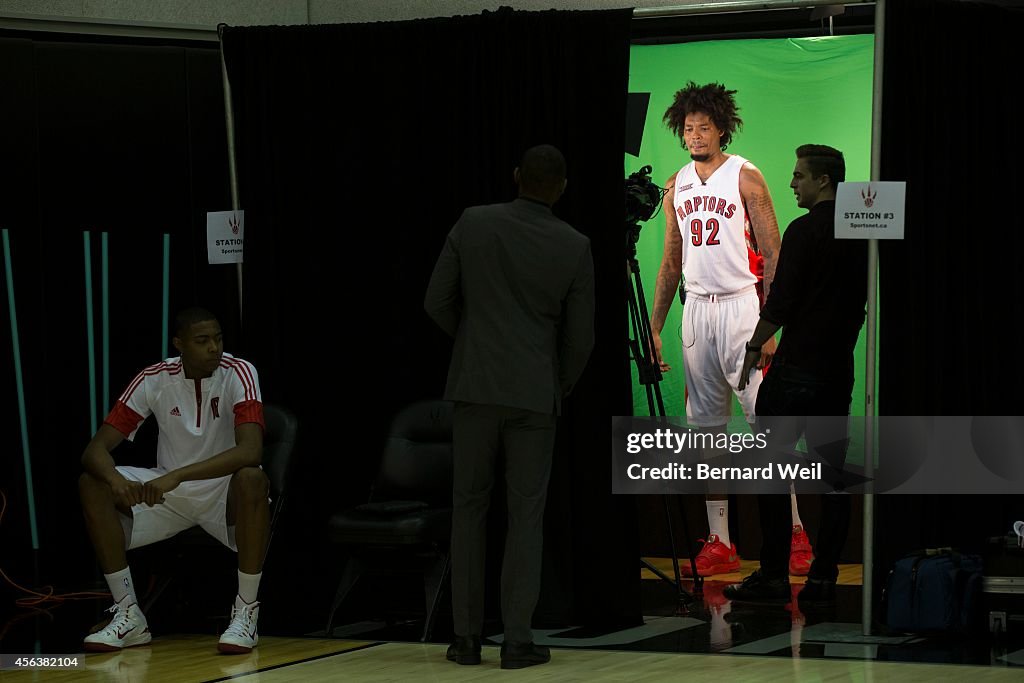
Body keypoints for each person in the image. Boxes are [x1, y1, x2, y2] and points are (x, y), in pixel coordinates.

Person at [424, 144, 595, 670]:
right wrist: (556, 383)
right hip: (534, 392)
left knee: (468, 511)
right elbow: (581, 338)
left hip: (474, 387)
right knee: (526, 515)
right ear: (561, 187)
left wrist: (472, 343)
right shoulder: (574, 243)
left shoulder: (473, 222)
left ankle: (465, 639)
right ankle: (517, 640)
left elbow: (436, 301)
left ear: (517, 176)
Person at [723, 144, 867, 604]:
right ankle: (825, 575)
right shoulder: (862, 233)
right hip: (835, 373)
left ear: (823, 181)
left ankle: (772, 575)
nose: (792, 184)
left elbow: (781, 301)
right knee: (833, 479)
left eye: (799, 175)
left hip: (794, 371)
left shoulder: (805, 232)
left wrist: (752, 346)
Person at [78, 307, 268, 653]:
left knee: (252, 479)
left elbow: (251, 451)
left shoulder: (239, 372)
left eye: (218, 338)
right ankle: (128, 613)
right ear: (179, 344)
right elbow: (95, 450)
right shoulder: (155, 377)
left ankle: (246, 614)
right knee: (92, 482)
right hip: (168, 497)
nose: (214, 348)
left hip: (221, 494)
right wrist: (115, 480)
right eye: (203, 341)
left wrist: (177, 475)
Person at [650, 82, 781, 576]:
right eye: (689, 128)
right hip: (697, 310)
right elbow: (669, 260)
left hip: (743, 307)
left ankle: (792, 531)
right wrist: (656, 326)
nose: (696, 135)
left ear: (722, 128)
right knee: (706, 434)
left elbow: (773, 252)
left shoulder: (746, 177)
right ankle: (720, 540)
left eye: (705, 126)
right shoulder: (675, 185)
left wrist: (770, 325)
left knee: (766, 426)